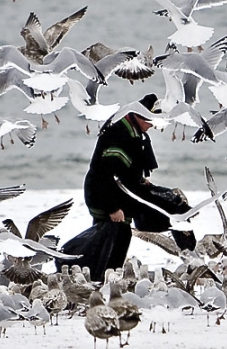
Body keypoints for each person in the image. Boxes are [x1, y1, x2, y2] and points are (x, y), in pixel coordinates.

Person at [61, 94, 191, 281]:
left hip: (119, 192)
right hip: (101, 194)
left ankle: (103, 275)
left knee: (113, 235)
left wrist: (141, 180)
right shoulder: (119, 133)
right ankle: (98, 273)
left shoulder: (134, 131)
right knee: (116, 234)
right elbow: (105, 173)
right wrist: (112, 208)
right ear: (138, 116)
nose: (152, 125)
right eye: (150, 120)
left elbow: (126, 169)